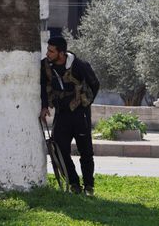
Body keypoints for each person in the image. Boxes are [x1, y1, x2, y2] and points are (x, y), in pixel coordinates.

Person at [40, 34, 99, 196]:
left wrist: (85, 102)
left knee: (86, 151)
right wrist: (45, 106)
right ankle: (74, 183)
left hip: (81, 115)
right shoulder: (45, 66)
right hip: (62, 114)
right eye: (48, 50)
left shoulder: (80, 65)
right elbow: (42, 85)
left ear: (61, 53)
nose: (48, 54)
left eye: (51, 51)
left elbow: (95, 84)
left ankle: (88, 186)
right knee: (60, 150)